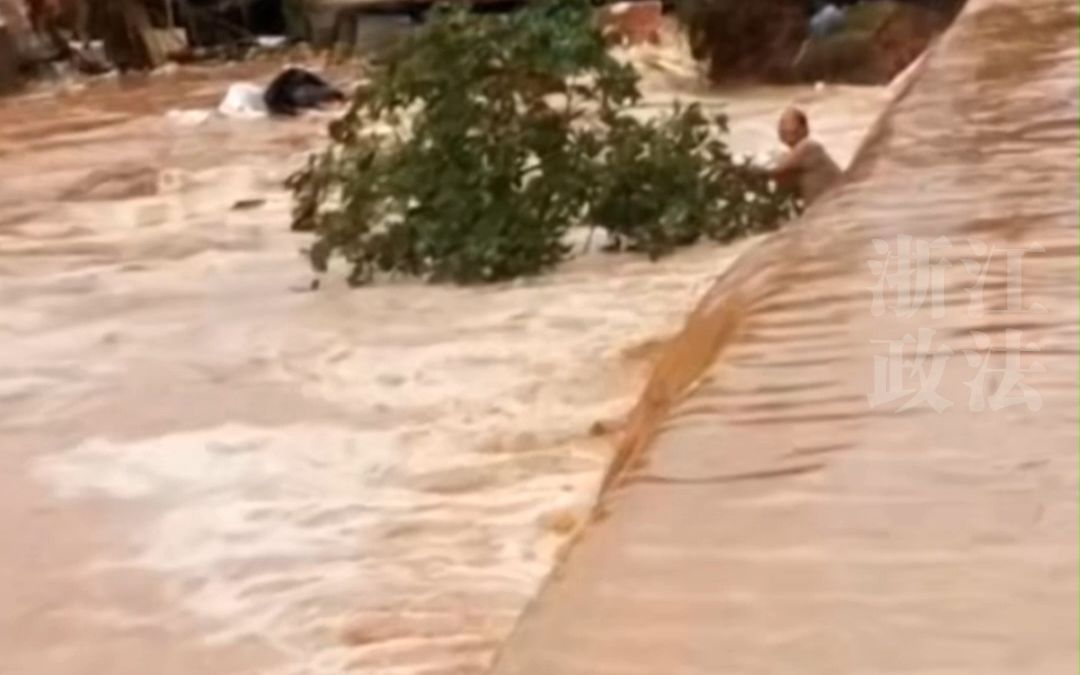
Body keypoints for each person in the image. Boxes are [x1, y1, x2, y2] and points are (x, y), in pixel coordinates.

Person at [769, 107, 842, 205]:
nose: (784, 128)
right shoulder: (793, 156)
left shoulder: (809, 146)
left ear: (805, 129)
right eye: (782, 124)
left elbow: (774, 170)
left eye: (788, 124)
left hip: (833, 206)